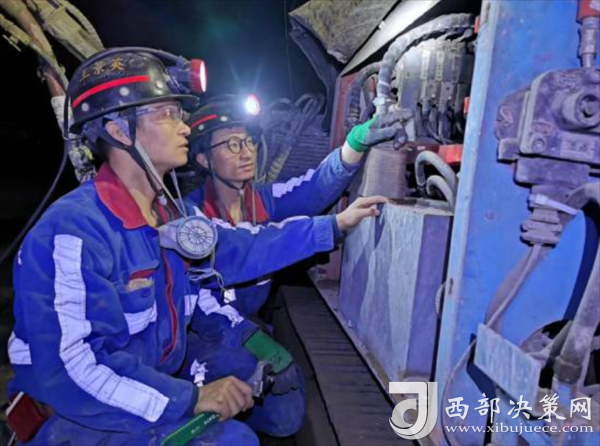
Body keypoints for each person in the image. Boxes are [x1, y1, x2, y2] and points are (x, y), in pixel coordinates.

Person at [6, 48, 388, 446]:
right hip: (79, 413)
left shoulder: (170, 214)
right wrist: (190, 398)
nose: (184, 126)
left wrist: (334, 226)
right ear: (119, 131)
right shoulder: (73, 232)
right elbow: (71, 370)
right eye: (167, 114)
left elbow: (236, 252)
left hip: (143, 376)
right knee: (235, 442)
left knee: (279, 400)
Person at [185, 94, 408, 316]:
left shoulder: (263, 198)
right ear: (204, 160)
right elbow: (251, 247)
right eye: (233, 145)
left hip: (248, 320)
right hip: (211, 330)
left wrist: (354, 144)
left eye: (249, 141)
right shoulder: (191, 218)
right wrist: (334, 224)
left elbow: (313, 188)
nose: (247, 153)